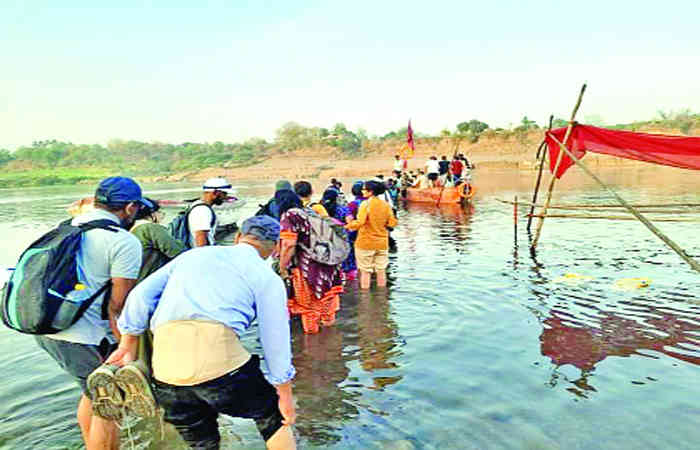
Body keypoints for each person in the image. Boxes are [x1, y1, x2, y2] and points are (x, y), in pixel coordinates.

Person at [107, 216, 297, 450]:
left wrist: (127, 344)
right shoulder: (267, 276)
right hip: (222, 368)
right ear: (276, 247)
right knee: (273, 420)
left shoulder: (193, 255)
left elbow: (139, 296)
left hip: (167, 372)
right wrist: (284, 394)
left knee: (202, 443)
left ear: (238, 237)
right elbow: (275, 338)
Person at [35, 177, 146, 449]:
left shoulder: (66, 227)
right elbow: (118, 307)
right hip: (84, 337)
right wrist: (127, 349)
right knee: (110, 405)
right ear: (131, 207)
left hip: (47, 326)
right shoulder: (122, 241)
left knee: (93, 394)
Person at [277, 190, 344, 334]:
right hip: (330, 266)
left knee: (308, 308)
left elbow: (288, 245)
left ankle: (313, 347)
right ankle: (331, 345)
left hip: (309, 269)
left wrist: (282, 268)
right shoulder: (310, 211)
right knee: (327, 306)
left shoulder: (289, 216)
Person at [345, 181, 398, 290]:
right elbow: (392, 223)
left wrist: (346, 226)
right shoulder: (386, 205)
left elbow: (360, 222)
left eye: (364, 189)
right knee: (381, 270)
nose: (362, 191)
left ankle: (365, 300)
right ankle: (382, 298)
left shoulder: (366, 204)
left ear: (371, 192)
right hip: (382, 243)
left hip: (365, 243)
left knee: (365, 272)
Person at [130, 198, 185, 282]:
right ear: (152, 214)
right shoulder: (150, 228)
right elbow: (177, 251)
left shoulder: (132, 229)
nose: (161, 215)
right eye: (158, 212)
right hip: (151, 281)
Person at [321, 188, 357, 279]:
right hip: (343, 241)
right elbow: (351, 225)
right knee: (349, 269)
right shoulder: (343, 209)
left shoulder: (319, 209)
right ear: (336, 198)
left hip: (326, 240)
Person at [189, 177, 234, 247]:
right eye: (224, 194)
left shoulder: (197, 205)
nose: (225, 197)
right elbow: (200, 238)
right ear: (216, 193)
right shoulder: (202, 210)